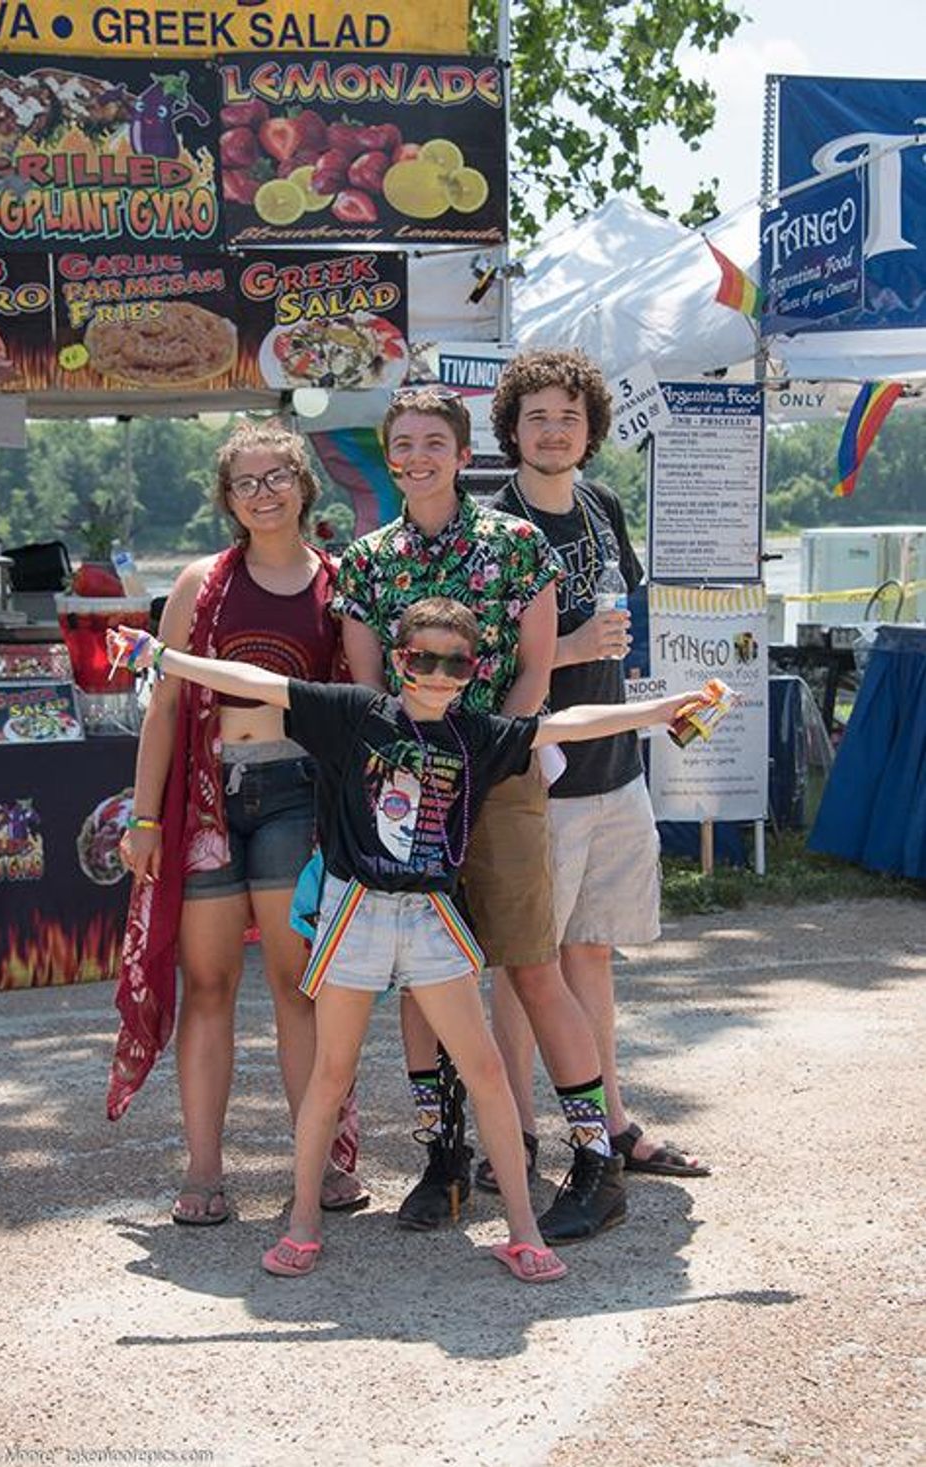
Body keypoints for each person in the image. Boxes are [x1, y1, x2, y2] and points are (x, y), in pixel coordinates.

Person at [108, 597, 706, 1280]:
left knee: (484, 1071)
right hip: (356, 913)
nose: (437, 675)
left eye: (456, 664)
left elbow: (563, 724)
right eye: (423, 659)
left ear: (473, 671)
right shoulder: (355, 714)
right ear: (398, 661)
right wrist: (162, 657)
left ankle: (522, 1231)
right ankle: (302, 1223)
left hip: (430, 917)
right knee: (331, 1072)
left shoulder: (476, 733)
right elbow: (255, 681)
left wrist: (659, 712)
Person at [334, 386, 644, 1245]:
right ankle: (444, 1157)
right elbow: (367, 684)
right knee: (421, 978)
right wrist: (415, 773)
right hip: (408, 794)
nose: (419, 457)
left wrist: (484, 757)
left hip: (501, 781)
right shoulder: (365, 561)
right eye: (404, 443)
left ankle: (597, 1162)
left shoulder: (517, 544)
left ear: (464, 454)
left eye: (435, 442)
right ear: (389, 456)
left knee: (532, 966)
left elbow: (536, 672)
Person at [107, 419, 365, 1224]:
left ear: (304, 485)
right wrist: (144, 816)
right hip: (206, 798)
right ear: (228, 497)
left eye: (277, 476)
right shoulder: (199, 583)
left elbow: (362, 701)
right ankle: (204, 1170)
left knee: (297, 985)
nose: (263, 493)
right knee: (209, 983)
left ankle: (318, 1163)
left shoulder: (338, 584)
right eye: (245, 482)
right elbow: (165, 706)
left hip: (296, 793)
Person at [483, 346, 710, 1182]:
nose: (553, 431)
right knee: (523, 965)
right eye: (537, 417)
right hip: (536, 781)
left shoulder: (602, 504)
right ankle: (518, 1134)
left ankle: (613, 1122)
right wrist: (571, 647)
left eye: (569, 417)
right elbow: (469, 664)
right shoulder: (493, 529)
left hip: (615, 768)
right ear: (511, 429)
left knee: (591, 953)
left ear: (591, 430)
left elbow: (618, 617)